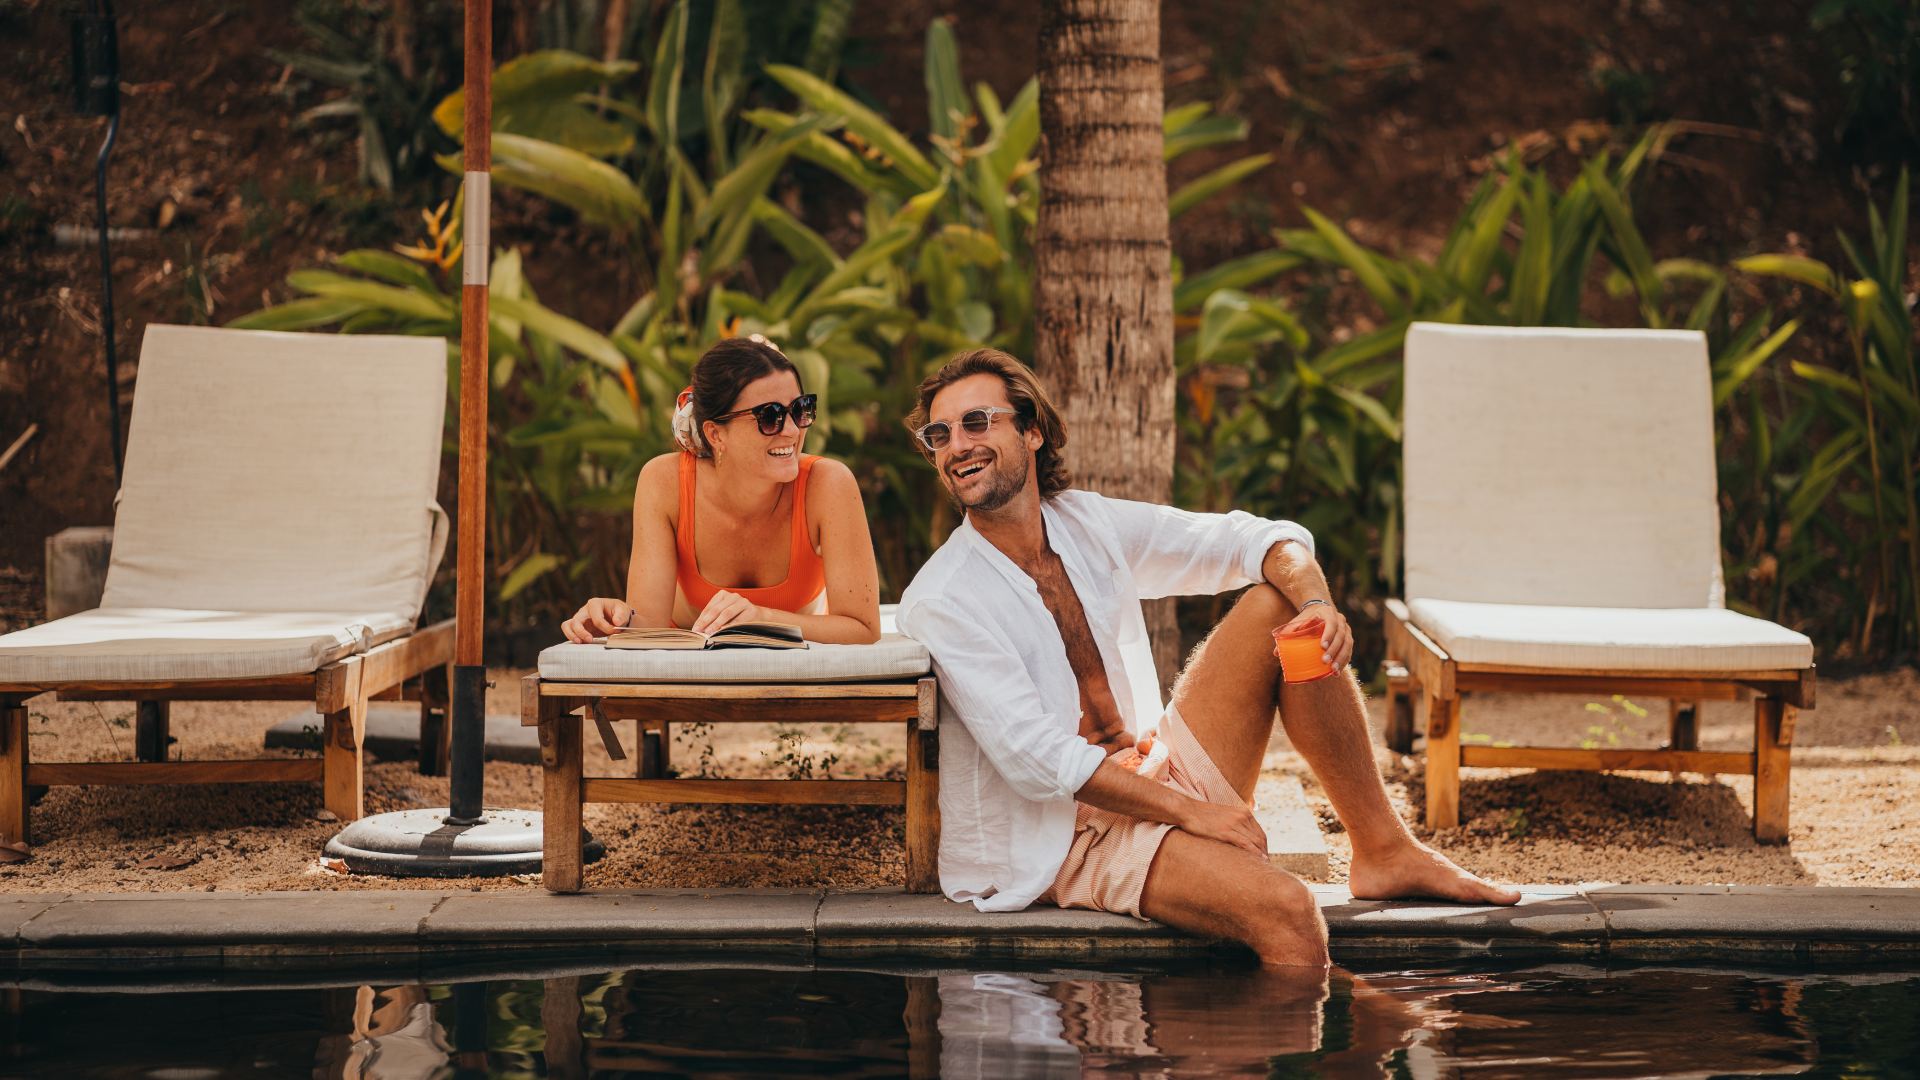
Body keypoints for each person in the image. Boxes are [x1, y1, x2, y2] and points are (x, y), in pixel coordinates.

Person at [895, 348, 1519, 968]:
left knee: (1283, 607)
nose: (957, 446)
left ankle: (1383, 850)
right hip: (1065, 836)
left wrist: (1320, 603)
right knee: (1290, 913)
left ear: (1032, 430)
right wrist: (1196, 815)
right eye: (940, 434)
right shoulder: (945, 596)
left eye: (978, 422)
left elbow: (1252, 539)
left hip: (1151, 769)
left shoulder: (1085, 523)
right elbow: (1035, 761)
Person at [562, 335, 881, 645]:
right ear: (715, 434)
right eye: (769, 416)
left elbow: (862, 628)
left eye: (800, 409)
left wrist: (762, 618)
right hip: (694, 673)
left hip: (793, 676)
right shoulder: (665, 482)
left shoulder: (828, 485)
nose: (792, 430)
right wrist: (613, 618)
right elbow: (649, 626)